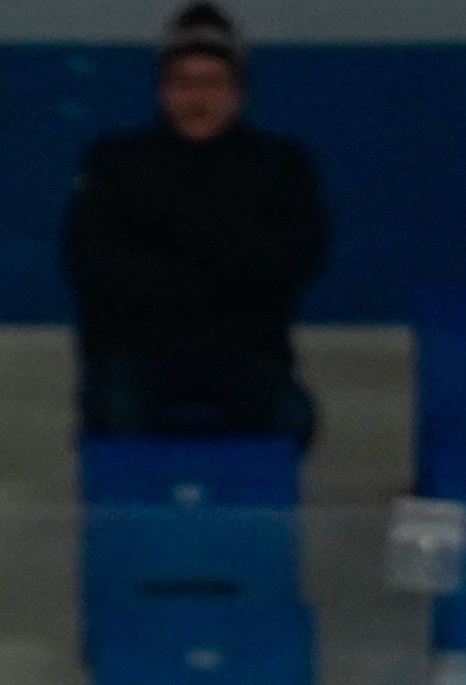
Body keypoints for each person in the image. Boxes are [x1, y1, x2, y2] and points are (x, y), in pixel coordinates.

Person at [59, 3, 325, 451]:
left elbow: (288, 262)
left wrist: (173, 242)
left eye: (212, 84)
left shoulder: (280, 167)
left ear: (238, 92)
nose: (197, 98)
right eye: (183, 83)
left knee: (288, 415)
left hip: (246, 356)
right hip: (136, 355)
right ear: (162, 89)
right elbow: (95, 265)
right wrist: (220, 266)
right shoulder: (116, 163)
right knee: (116, 409)